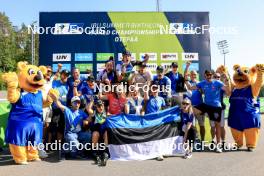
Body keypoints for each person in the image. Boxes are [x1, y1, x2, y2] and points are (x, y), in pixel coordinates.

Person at [185, 69, 231, 153]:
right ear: (205, 75)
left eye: (210, 75)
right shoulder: (202, 83)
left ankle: (218, 146)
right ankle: (190, 136)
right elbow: (190, 87)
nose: (209, 76)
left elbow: (228, 92)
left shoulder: (217, 83)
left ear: (212, 75)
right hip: (206, 105)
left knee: (217, 126)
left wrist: (227, 81)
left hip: (216, 107)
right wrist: (186, 79)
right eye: (207, 75)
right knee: (190, 111)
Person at [143, 84, 166, 161]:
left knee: (159, 136)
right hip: (150, 120)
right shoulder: (148, 98)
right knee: (151, 136)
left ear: (158, 90)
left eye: (156, 89)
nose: (155, 90)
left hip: (159, 120)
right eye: (153, 89)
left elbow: (164, 109)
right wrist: (146, 88)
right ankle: (151, 152)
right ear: (151, 91)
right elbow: (145, 98)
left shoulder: (161, 99)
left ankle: (159, 153)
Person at [184, 62, 205, 142]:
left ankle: (202, 141)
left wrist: (201, 90)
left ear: (197, 75)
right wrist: (187, 67)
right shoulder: (188, 83)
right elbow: (185, 76)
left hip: (199, 107)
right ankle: (196, 139)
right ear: (190, 75)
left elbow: (204, 93)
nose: (194, 76)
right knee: (192, 125)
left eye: (195, 74)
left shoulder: (200, 83)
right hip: (191, 108)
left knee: (202, 125)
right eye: (192, 74)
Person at [49, 69, 70, 147]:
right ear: (61, 75)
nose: (65, 76)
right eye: (64, 74)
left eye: (67, 75)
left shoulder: (68, 86)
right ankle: (48, 145)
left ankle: (59, 146)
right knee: (52, 127)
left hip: (63, 110)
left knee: (61, 128)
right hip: (54, 108)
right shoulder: (54, 82)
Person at [85, 98, 109, 166]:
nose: (100, 107)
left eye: (101, 106)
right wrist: (92, 101)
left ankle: (105, 153)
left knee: (107, 133)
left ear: (103, 106)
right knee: (95, 133)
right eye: (99, 106)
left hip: (104, 132)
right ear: (96, 107)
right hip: (97, 132)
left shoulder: (106, 112)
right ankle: (95, 153)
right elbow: (88, 109)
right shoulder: (94, 113)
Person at [210, 72, 227, 148]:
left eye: (218, 77)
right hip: (211, 108)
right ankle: (213, 141)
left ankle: (222, 142)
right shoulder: (209, 85)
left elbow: (228, 92)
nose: (217, 78)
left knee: (221, 126)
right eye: (215, 76)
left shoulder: (222, 87)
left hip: (220, 109)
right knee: (212, 127)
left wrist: (227, 79)